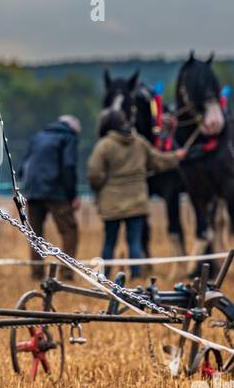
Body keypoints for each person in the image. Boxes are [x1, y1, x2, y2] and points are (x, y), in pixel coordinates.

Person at [87, 109, 186, 279]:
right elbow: (158, 161)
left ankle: (103, 277)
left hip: (112, 204)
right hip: (137, 202)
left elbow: (94, 174)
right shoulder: (139, 142)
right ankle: (136, 277)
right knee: (134, 242)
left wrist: (101, 187)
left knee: (109, 242)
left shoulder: (104, 146)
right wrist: (176, 157)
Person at [19, 115, 81, 279]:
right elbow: (69, 165)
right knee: (69, 230)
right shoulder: (69, 137)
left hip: (32, 191)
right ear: (73, 128)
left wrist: (26, 185)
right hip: (56, 191)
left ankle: (37, 274)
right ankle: (66, 273)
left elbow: (23, 165)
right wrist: (72, 195)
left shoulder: (38, 137)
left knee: (35, 234)